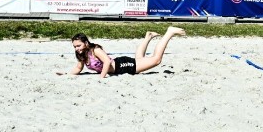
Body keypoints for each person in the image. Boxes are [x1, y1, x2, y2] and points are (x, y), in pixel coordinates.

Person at [58, 27, 186, 78]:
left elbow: (107, 62)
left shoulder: (95, 49)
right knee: (139, 60)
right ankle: (148, 37)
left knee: (156, 60)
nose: (76, 48)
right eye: (74, 46)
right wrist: (67, 74)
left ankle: (169, 32)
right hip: (119, 66)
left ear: (86, 43)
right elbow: (78, 68)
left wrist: (101, 77)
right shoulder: (81, 54)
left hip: (122, 65)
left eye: (78, 45)